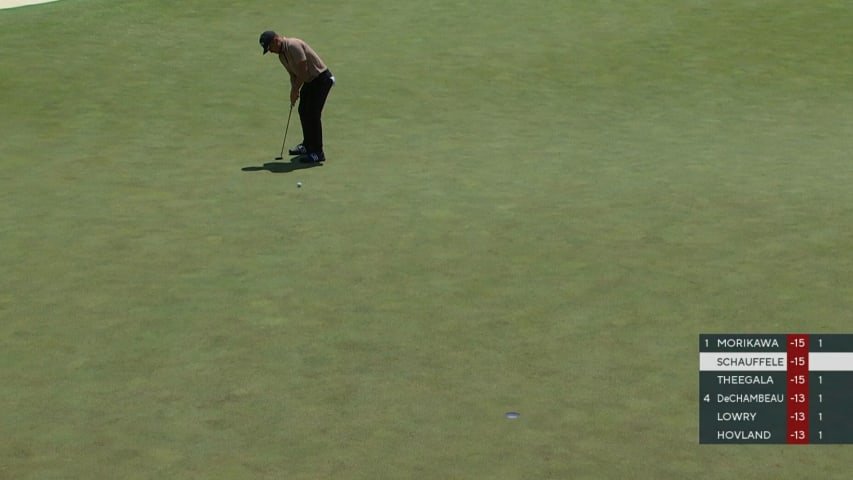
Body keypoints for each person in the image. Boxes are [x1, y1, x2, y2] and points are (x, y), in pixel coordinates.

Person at [260, 30, 334, 163]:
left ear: (276, 40)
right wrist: (293, 91)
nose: (270, 51)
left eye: (270, 47)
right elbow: (293, 75)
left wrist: (296, 90)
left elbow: (303, 70)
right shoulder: (282, 56)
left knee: (313, 114)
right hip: (309, 81)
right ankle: (307, 145)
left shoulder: (293, 45)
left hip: (321, 79)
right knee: (303, 111)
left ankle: (318, 152)